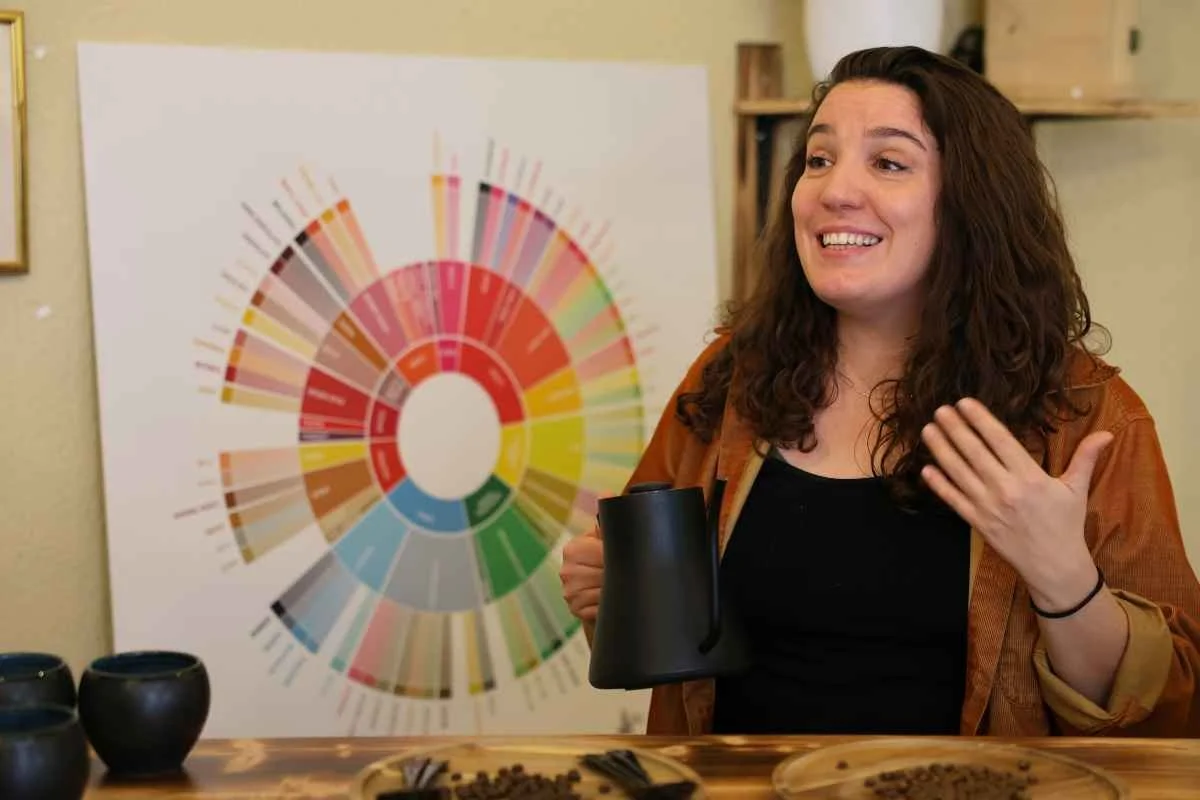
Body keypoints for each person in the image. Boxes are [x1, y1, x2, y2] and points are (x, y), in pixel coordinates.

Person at [559, 45, 1200, 738]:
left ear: (970, 204)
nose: (835, 191)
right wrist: (609, 597)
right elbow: (662, 650)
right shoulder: (730, 377)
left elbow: (1169, 715)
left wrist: (1065, 578)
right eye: (819, 159)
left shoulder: (1086, 412)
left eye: (889, 163)